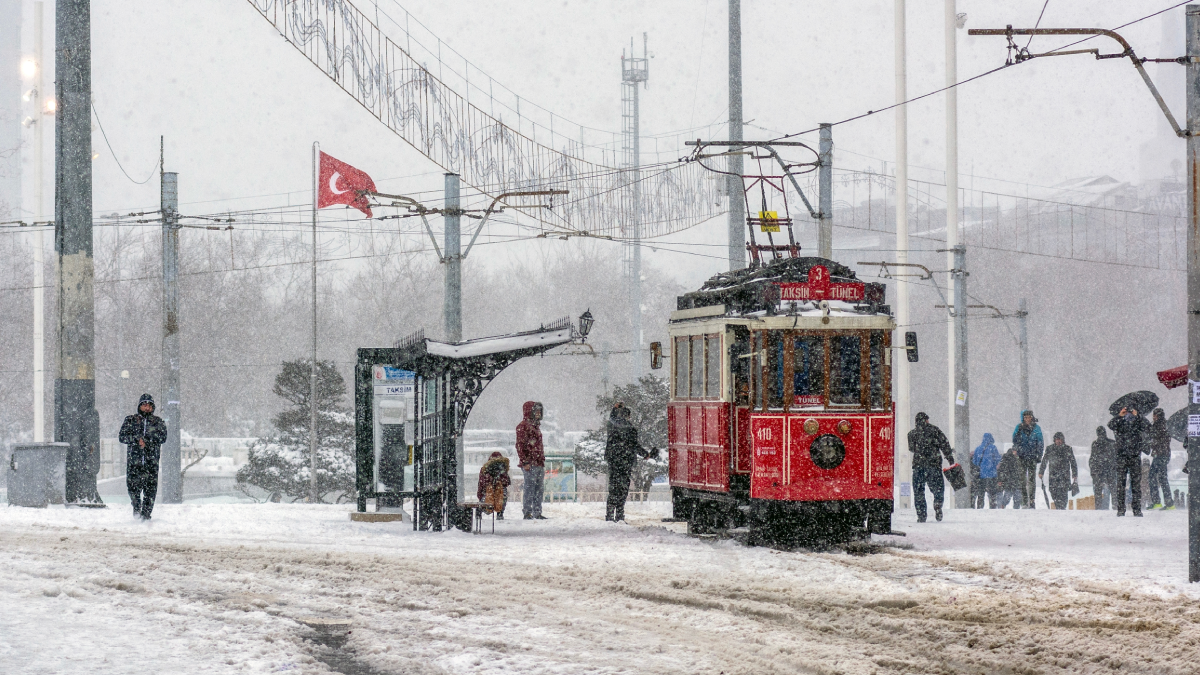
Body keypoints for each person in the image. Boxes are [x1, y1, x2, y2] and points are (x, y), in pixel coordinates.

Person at [118, 394, 167, 520]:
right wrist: (136, 440)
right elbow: (122, 437)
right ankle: (136, 509)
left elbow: (162, 437)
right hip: (134, 462)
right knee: (133, 489)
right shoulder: (131, 420)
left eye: (149, 405)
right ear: (140, 406)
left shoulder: (158, 422)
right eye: (144, 405)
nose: (147, 408)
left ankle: (146, 515)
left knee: (150, 491)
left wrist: (148, 441)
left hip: (151, 463)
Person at [604, 402, 655, 522]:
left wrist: (614, 409)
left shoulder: (612, 426)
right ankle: (620, 515)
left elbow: (611, 419)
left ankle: (609, 516)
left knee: (613, 489)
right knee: (623, 490)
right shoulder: (631, 429)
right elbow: (634, 445)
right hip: (626, 462)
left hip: (613, 462)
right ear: (628, 416)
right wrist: (646, 454)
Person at [907, 412, 955, 522]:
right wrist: (949, 458)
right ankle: (938, 503)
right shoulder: (935, 430)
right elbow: (944, 444)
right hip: (934, 465)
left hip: (918, 466)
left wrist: (921, 449)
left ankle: (921, 515)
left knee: (919, 491)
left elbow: (911, 449)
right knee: (938, 488)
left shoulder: (912, 434)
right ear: (926, 420)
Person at [1108, 404, 1150, 517]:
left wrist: (1138, 416)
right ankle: (1121, 509)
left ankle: (1136, 509)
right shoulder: (1119, 422)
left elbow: (1148, 427)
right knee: (1121, 484)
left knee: (1135, 484)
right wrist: (1119, 416)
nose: (1129, 413)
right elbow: (1110, 425)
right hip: (1122, 456)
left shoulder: (1138, 422)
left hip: (1134, 456)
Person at [516, 401, 547, 520]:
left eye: (540, 411)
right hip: (530, 464)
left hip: (538, 463)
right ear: (530, 412)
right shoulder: (523, 426)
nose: (538, 413)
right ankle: (528, 512)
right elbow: (520, 445)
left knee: (539, 489)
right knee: (530, 488)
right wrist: (525, 461)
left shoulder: (535, 427)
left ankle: (537, 512)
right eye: (536, 411)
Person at [1012, 410, 1044, 509]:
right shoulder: (1019, 427)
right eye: (1025, 417)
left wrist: (1039, 455)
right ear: (1023, 418)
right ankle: (1024, 501)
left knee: (1031, 479)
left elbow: (1040, 442)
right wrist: (1018, 432)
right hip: (1021, 456)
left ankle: (1032, 500)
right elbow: (1014, 440)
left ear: (1031, 417)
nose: (1027, 419)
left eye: (1029, 417)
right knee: (1022, 479)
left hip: (1032, 456)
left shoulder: (1036, 428)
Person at [1038, 432, 1079, 510]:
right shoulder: (1049, 449)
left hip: (1064, 476)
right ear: (1054, 440)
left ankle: (1062, 508)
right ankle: (1058, 506)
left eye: (1060, 439)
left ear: (1063, 440)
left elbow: (1073, 462)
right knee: (1054, 493)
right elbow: (1044, 461)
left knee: (1064, 494)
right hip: (1053, 476)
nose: (1058, 441)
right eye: (1057, 439)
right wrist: (1041, 472)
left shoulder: (1068, 449)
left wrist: (1075, 474)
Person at [1148, 409, 1175, 510]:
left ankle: (1162, 502)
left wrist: (1151, 442)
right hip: (1163, 454)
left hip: (1160, 455)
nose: (1153, 417)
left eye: (1154, 415)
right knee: (1161, 478)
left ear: (1158, 416)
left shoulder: (1159, 426)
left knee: (1155, 477)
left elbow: (1157, 439)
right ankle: (1167, 502)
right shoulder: (1165, 425)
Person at [476, 451, 511, 519]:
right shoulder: (487, 470)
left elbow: (481, 483)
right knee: (501, 495)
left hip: (490, 492)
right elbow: (506, 482)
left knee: (500, 494)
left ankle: (481, 511)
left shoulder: (485, 469)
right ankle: (499, 513)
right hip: (490, 492)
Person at [971, 433, 1001, 508]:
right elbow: (998, 459)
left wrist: (981, 466)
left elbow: (974, 461)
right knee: (992, 492)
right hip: (992, 474)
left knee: (981, 492)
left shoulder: (978, 448)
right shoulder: (993, 448)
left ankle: (980, 506)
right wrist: (992, 465)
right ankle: (992, 506)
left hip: (981, 475)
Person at [1090, 426, 1116, 510]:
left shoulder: (1095, 444)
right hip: (1109, 471)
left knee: (1099, 493)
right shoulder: (1112, 443)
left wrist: (1093, 472)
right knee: (1114, 492)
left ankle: (1099, 509)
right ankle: (1116, 508)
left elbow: (1092, 459)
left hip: (1100, 472)